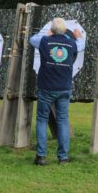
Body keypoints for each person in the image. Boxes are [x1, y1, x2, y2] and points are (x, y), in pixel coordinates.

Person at [29, 18, 84, 165]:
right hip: (64, 88)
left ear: (52, 30)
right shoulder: (71, 43)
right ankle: (63, 158)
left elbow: (31, 39)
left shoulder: (45, 41)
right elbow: (81, 45)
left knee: (41, 119)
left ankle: (41, 157)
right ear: (66, 31)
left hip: (46, 87)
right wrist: (78, 36)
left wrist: (46, 35)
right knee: (63, 121)